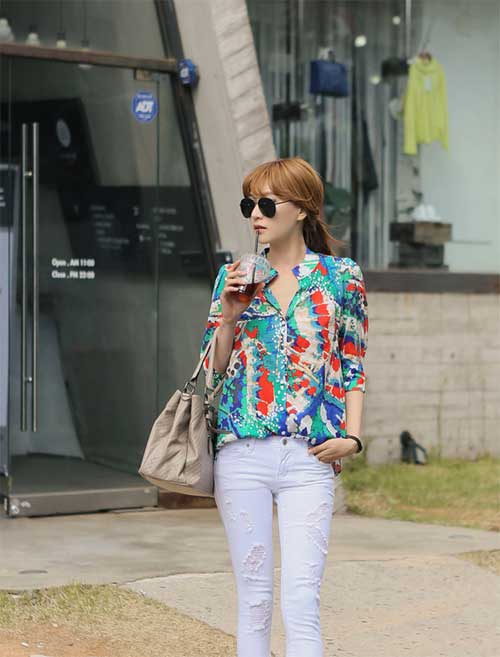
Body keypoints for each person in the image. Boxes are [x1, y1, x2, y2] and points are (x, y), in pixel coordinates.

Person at [199, 157, 368, 657]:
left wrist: (353, 438)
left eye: (267, 204)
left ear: (303, 209)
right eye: (249, 204)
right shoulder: (235, 277)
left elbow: (353, 365)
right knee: (253, 601)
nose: (256, 213)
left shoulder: (341, 277)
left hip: (309, 459)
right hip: (242, 454)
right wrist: (229, 317)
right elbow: (213, 369)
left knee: (301, 600)